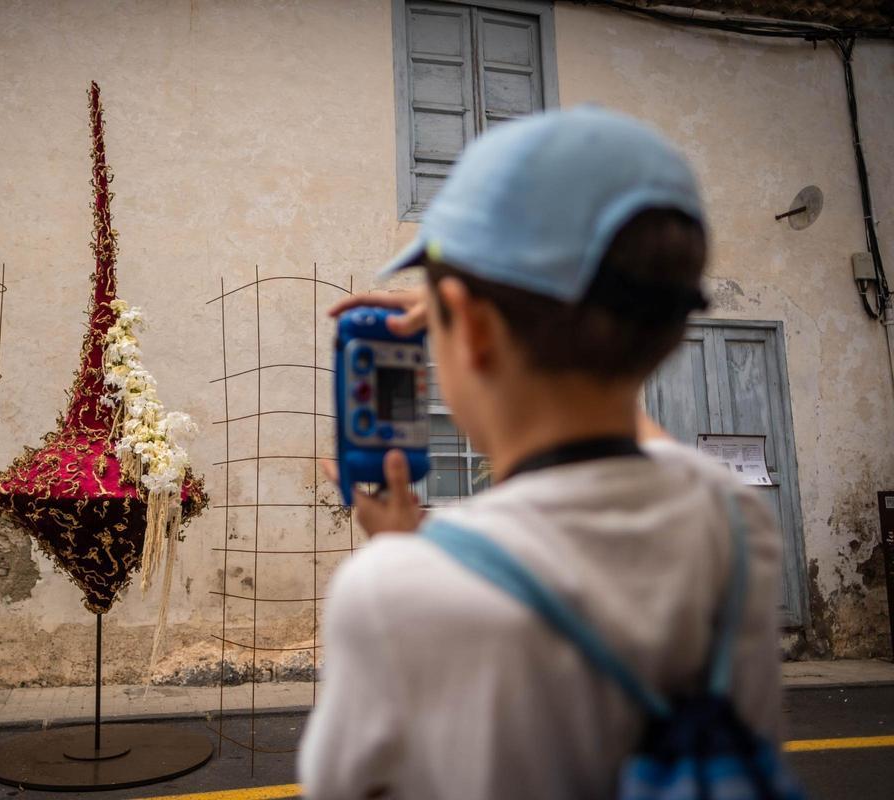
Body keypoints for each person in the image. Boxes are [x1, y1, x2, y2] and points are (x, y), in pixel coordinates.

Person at [298, 107, 783, 799]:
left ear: (470, 328)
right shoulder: (736, 523)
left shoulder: (389, 593)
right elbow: (630, 414)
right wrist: (471, 308)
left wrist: (396, 554)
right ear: (667, 334)